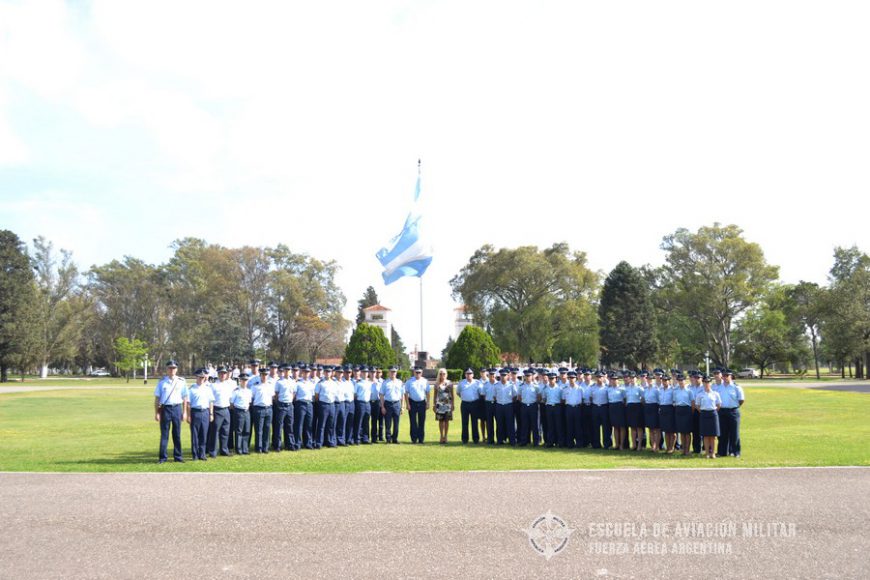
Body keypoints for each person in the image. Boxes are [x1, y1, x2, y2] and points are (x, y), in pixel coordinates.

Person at [154, 359, 188, 464]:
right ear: (167, 369)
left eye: (174, 368)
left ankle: (178, 456)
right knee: (164, 434)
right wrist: (157, 413)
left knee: (177, 434)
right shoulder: (162, 382)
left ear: (176, 369)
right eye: (170, 368)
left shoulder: (181, 381)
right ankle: (162, 458)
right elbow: (157, 399)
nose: (172, 370)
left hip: (177, 408)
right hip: (165, 409)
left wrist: (185, 412)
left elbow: (185, 398)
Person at [185, 368, 214, 460]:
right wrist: (189, 416)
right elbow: (188, 404)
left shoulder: (208, 389)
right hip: (195, 412)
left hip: (205, 412)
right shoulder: (192, 389)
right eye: (199, 377)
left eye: (203, 377)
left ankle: (202, 454)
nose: (201, 379)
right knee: (195, 435)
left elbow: (211, 402)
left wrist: (211, 414)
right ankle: (195, 454)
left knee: (204, 434)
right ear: (196, 377)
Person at [716, 370, 745, 457]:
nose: (725, 377)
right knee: (722, 433)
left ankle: (736, 452)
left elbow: (741, 400)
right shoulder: (719, 387)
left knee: (734, 433)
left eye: (727, 375)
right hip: (722, 411)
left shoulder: (736, 387)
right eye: (723, 376)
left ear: (731, 376)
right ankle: (722, 452)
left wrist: (734, 406)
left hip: (733, 411)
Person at [207, 366, 235, 457]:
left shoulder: (228, 385)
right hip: (217, 409)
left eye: (224, 373)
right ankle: (213, 451)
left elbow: (231, 398)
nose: (223, 375)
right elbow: (210, 400)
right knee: (215, 432)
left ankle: (224, 450)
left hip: (226, 410)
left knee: (225, 431)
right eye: (221, 373)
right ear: (218, 374)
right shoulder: (213, 385)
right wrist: (211, 412)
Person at [694, 375, 722, 459]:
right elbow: (697, 405)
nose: (707, 384)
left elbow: (719, 404)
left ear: (710, 383)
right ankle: (706, 453)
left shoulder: (715, 394)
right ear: (703, 383)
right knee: (705, 435)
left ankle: (712, 453)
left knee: (713, 436)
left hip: (713, 414)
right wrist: (703, 411)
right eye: (705, 382)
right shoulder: (700, 394)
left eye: (708, 382)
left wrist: (713, 411)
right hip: (703, 414)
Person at [250, 367, 276, 453]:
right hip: (258, 409)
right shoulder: (255, 386)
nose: (264, 376)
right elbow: (252, 398)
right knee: (259, 430)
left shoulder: (270, 385)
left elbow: (273, 396)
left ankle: (266, 447)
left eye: (266, 375)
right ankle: (259, 447)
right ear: (260, 375)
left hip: (268, 409)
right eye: (263, 375)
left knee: (267, 429)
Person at [314, 366, 340, 448]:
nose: (328, 373)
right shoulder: (320, 383)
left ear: (331, 373)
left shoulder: (334, 383)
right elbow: (316, 396)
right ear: (324, 373)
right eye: (326, 372)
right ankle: (319, 442)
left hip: (332, 404)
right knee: (321, 424)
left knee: (331, 424)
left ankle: (329, 441)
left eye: (329, 372)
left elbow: (335, 395)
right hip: (323, 404)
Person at [274, 364, 296, 452]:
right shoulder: (279, 382)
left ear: (290, 371)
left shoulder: (293, 382)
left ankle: (290, 444)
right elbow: (276, 394)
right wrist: (279, 403)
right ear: (283, 371)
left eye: (289, 370)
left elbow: (294, 393)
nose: (287, 372)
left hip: (290, 405)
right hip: (281, 405)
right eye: (286, 370)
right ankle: (278, 445)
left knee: (289, 426)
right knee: (279, 426)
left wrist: (290, 400)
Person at [405, 367, 431, 444]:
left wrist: (428, 402)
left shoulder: (425, 381)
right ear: (414, 372)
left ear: (421, 373)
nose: (418, 374)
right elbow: (406, 393)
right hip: (412, 402)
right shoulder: (409, 381)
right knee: (413, 422)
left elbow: (428, 393)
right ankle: (414, 439)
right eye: (416, 372)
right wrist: (407, 404)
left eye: (419, 372)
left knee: (421, 422)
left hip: (422, 402)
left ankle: (421, 439)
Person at [379, 366, 404, 444]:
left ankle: (395, 438)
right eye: (391, 371)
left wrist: (402, 406)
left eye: (394, 372)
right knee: (388, 423)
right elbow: (381, 395)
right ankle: (388, 438)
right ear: (389, 372)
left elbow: (402, 395)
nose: (393, 373)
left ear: (396, 372)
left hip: (397, 404)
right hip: (388, 404)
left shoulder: (400, 382)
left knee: (396, 423)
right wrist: (382, 406)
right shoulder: (385, 382)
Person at [293, 365, 316, 450]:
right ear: (302, 373)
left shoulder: (311, 383)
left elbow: (313, 396)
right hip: (300, 404)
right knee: (299, 425)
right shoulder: (298, 383)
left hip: (309, 404)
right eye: (305, 372)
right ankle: (297, 443)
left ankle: (308, 443)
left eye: (308, 372)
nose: (306, 374)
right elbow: (294, 396)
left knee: (309, 424)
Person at [230, 371, 253, 454]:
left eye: (246, 380)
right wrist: (237, 411)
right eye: (243, 380)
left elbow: (249, 402)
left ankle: (245, 449)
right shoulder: (236, 391)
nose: (244, 382)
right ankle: (238, 449)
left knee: (247, 431)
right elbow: (232, 404)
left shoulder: (249, 391)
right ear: (240, 380)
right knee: (239, 431)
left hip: (247, 412)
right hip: (238, 411)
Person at [494, 369, 518, 445]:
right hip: (499, 406)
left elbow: (515, 396)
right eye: (502, 375)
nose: (503, 377)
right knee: (499, 423)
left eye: (504, 375)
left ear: (508, 376)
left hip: (509, 406)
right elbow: (494, 396)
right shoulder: (496, 385)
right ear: (499, 376)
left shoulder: (511, 385)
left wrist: (509, 402)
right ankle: (500, 440)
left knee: (510, 424)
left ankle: (512, 440)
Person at [457, 369, 481, 444]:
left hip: (475, 404)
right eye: (467, 373)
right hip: (464, 404)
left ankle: (476, 439)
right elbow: (458, 393)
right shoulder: (461, 383)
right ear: (465, 374)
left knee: (475, 422)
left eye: (470, 373)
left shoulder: (477, 382)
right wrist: (465, 398)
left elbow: (480, 393)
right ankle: (465, 439)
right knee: (464, 422)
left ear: (473, 374)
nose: (469, 375)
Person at [518, 369, 541, 447]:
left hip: (533, 406)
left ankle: (536, 442)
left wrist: (533, 403)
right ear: (524, 377)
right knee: (524, 424)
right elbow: (519, 397)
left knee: (535, 425)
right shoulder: (521, 386)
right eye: (526, 376)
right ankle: (524, 441)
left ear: (532, 377)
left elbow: (539, 397)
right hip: (524, 406)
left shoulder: (536, 386)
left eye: (529, 376)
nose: (528, 377)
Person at [673, 374, 694, 456]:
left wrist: (690, 413)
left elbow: (692, 403)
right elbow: (674, 402)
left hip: (687, 410)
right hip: (679, 410)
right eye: (679, 380)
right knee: (682, 432)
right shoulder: (675, 391)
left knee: (687, 432)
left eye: (682, 380)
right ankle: (683, 449)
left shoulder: (689, 391)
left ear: (685, 381)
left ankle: (687, 450)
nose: (681, 382)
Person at [562, 371, 584, 449]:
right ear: (568, 378)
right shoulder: (565, 389)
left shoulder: (580, 388)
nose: (571, 379)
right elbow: (563, 400)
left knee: (578, 426)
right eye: (570, 378)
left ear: (576, 378)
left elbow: (582, 399)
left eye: (573, 378)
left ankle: (579, 443)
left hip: (577, 408)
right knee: (569, 426)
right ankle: (570, 443)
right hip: (569, 408)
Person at [589, 371, 611, 449]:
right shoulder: (592, 387)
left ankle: (607, 444)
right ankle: (596, 444)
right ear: (595, 378)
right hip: (595, 407)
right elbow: (590, 398)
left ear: (604, 378)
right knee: (595, 427)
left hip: (604, 407)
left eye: (601, 377)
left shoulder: (607, 387)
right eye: (598, 377)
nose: (599, 379)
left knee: (606, 427)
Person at [432, 369, 454, 444]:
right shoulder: (436, 384)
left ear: (446, 374)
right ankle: (441, 436)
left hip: (448, 405)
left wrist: (453, 405)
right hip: (439, 405)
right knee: (441, 421)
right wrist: (434, 405)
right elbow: (435, 396)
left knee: (447, 421)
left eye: (444, 374)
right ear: (439, 374)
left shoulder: (450, 383)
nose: (442, 375)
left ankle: (446, 436)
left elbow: (452, 395)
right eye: (441, 374)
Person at [542, 372, 564, 448]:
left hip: (557, 407)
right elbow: (544, 399)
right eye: (550, 378)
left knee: (558, 425)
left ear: (556, 379)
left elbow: (562, 400)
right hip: (549, 407)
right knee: (550, 425)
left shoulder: (560, 388)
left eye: (553, 378)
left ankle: (560, 442)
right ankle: (550, 442)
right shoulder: (546, 389)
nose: (551, 380)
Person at [623, 372, 644, 451]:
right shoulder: (627, 388)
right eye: (630, 378)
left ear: (636, 379)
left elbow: (643, 399)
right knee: (632, 427)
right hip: (630, 407)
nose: (632, 379)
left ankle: (639, 445)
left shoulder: (639, 388)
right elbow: (625, 399)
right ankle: (634, 444)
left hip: (637, 407)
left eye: (633, 378)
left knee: (639, 427)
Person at [353, 366, 373, 445]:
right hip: (360, 403)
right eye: (363, 372)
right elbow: (355, 395)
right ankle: (357, 439)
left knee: (366, 422)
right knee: (359, 422)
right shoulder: (358, 383)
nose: (365, 374)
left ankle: (365, 438)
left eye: (366, 372)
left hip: (367, 403)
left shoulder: (370, 383)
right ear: (361, 373)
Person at [658, 375, 676, 453]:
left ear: (669, 381)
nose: (664, 382)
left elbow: (674, 401)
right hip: (663, 409)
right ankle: (668, 447)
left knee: (672, 431)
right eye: (663, 380)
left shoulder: (672, 390)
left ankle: (672, 447)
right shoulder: (660, 390)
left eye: (666, 380)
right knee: (666, 430)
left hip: (670, 409)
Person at [642, 375, 661, 452]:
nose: (649, 380)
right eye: (648, 379)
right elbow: (644, 399)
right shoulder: (645, 389)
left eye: (651, 379)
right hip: (648, 408)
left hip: (655, 407)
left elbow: (659, 400)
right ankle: (653, 445)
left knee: (656, 429)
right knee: (650, 429)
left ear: (653, 380)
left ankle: (657, 446)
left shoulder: (656, 389)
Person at [370, 367, 385, 442]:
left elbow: (383, 393)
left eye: (379, 372)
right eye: (377, 372)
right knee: (373, 421)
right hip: (371, 402)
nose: (378, 373)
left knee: (381, 421)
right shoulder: (370, 381)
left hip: (379, 402)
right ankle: (373, 437)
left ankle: (381, 436)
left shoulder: (382, 382)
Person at [475, 368, 489, 443]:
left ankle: (489, 436)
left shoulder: (489, 380)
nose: (483, 373)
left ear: (486, 372)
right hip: (480, 402)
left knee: (488, 420)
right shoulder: (477, 382)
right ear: (480, 373)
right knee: (482, 420)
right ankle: (483, 437)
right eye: (481, 372)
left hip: (488, 401)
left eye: (484, 371)